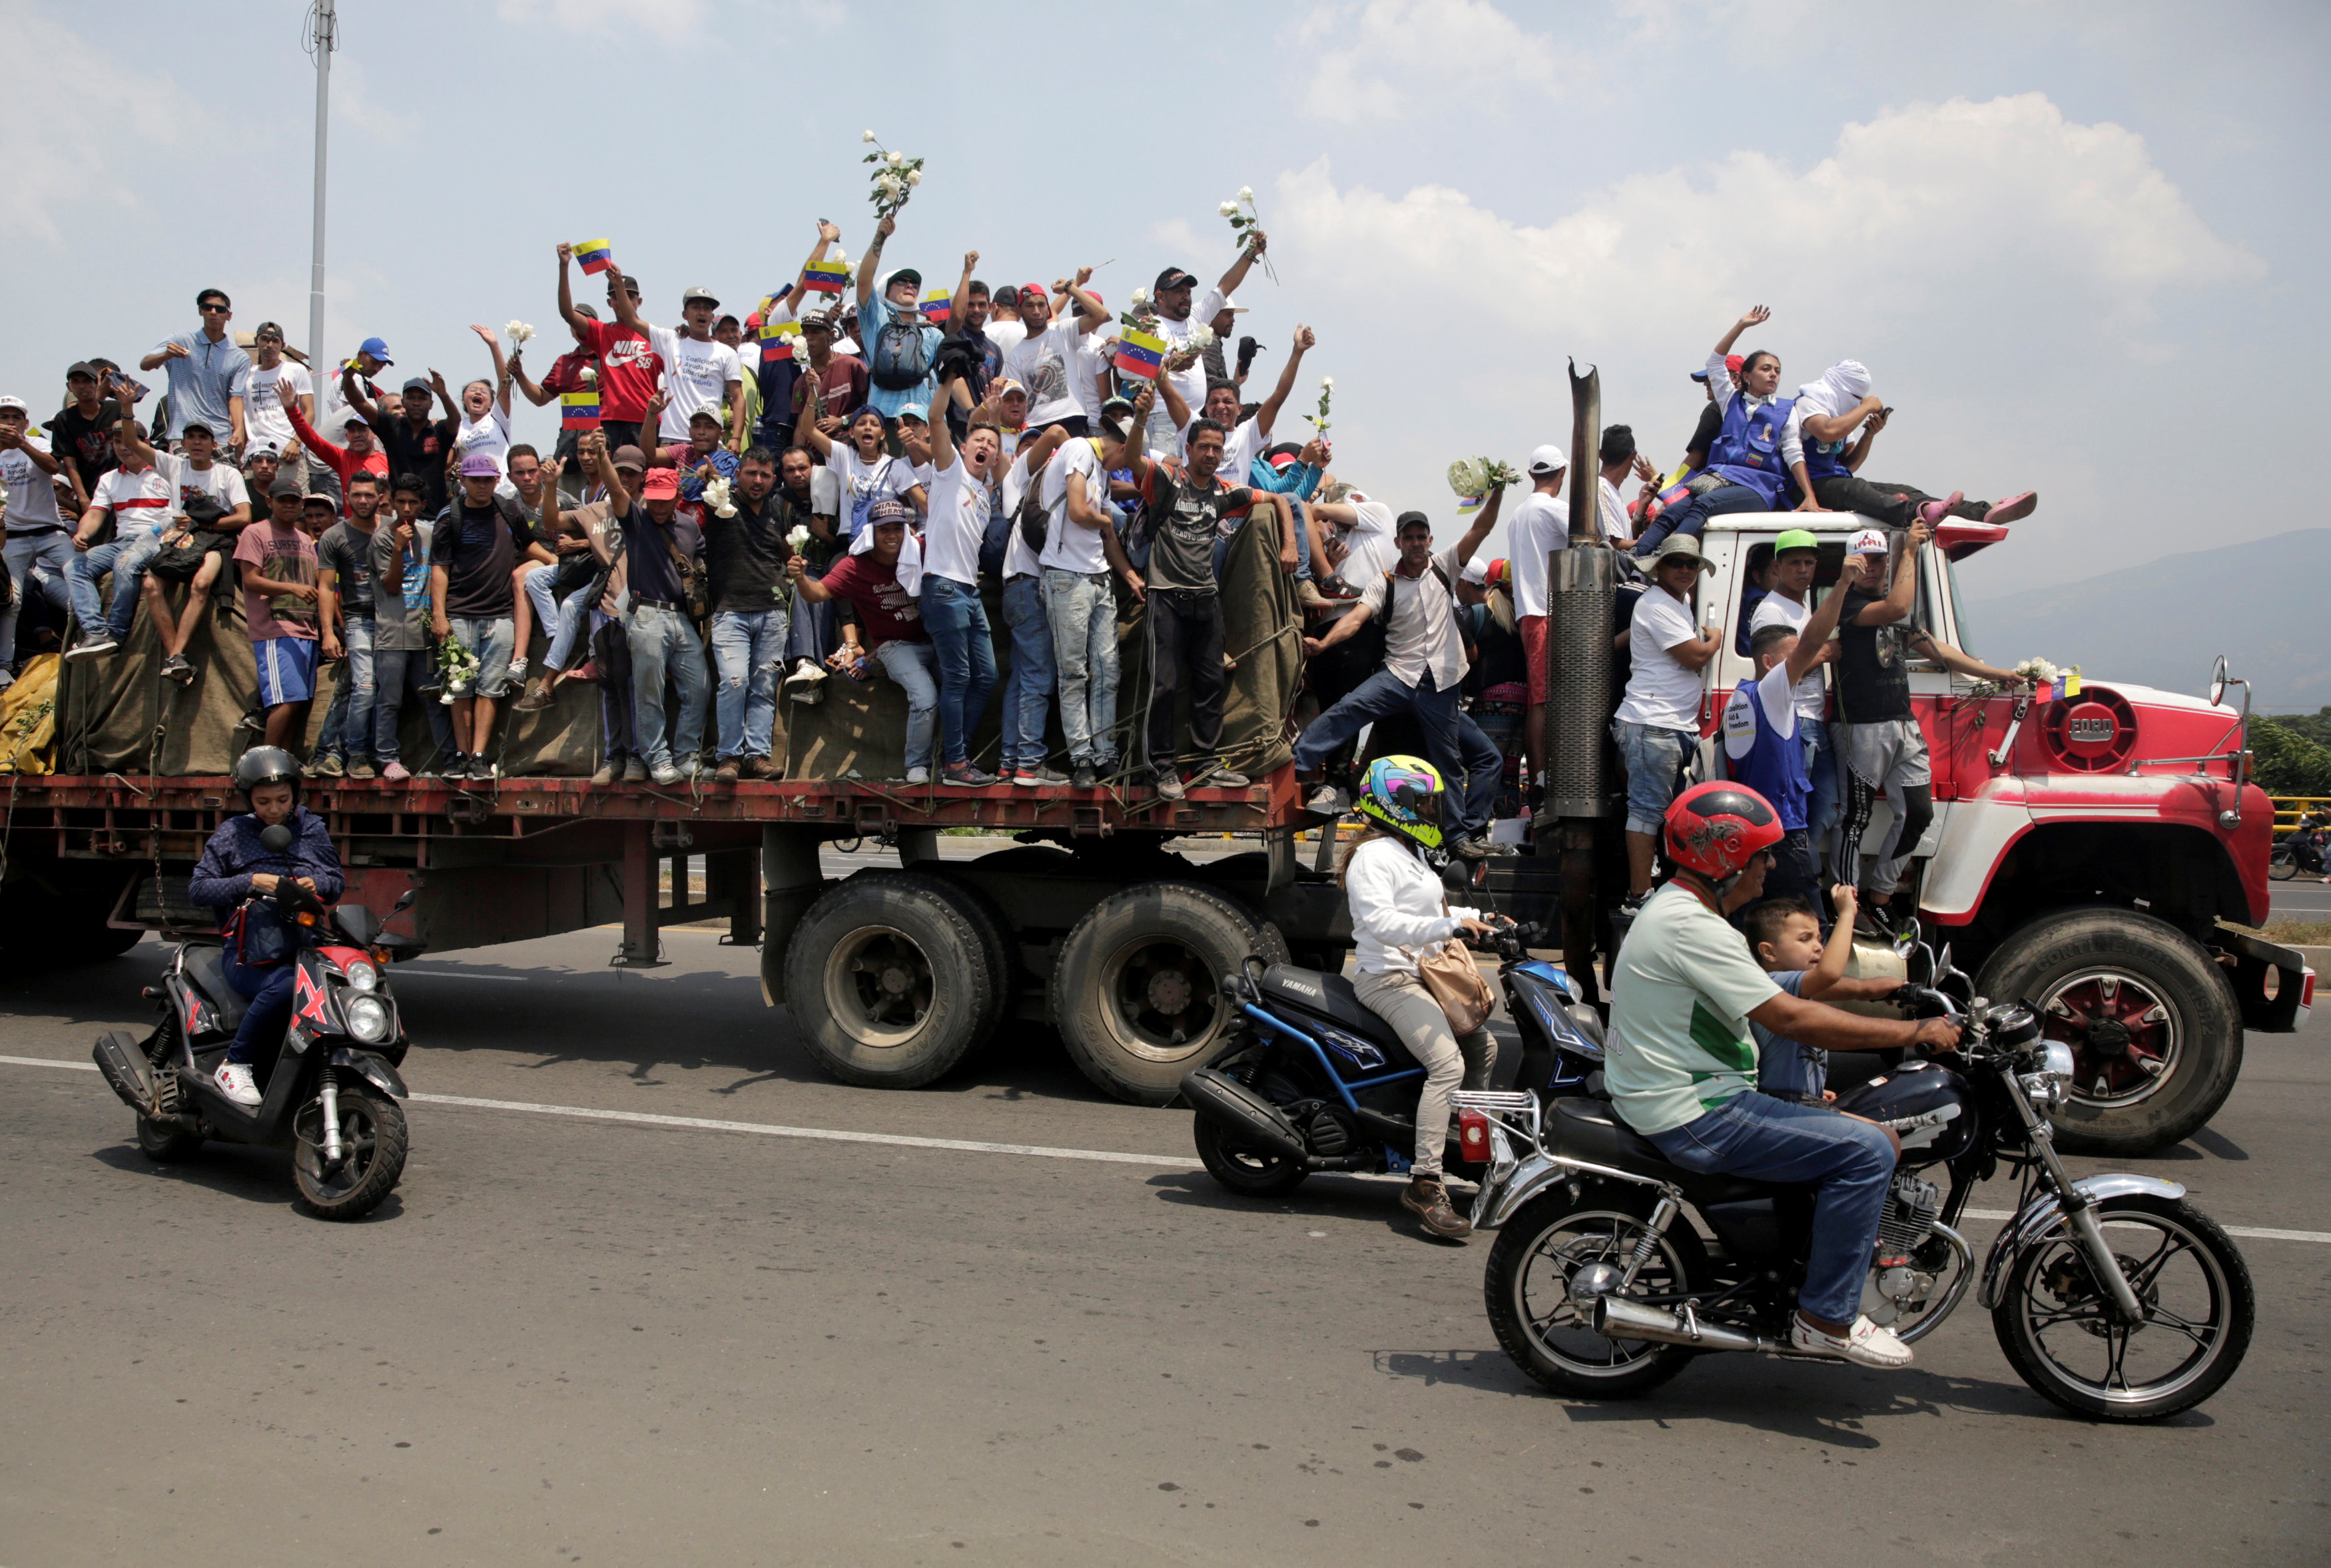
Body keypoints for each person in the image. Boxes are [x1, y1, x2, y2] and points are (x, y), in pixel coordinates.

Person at [1604, 780, 1961, 1366]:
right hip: (1697, 1110)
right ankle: (1826, 1316)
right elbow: (1793, 1016)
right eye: (1761, 853)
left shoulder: (1676, 910)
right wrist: (1913, 1034)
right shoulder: (1695, 927)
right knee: (1869, 1150)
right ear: (1726, 858)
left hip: (1686, 1091)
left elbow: (1798, 994)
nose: (1770, 864)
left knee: (1867, 1127)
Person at [1341, 756, 1502, 1239]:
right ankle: (1426, 1181)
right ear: (1395, 803)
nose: (1432, 811)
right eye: (1424, 802)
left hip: (1424, 974)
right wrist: (1450, 924)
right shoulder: (1373, 857)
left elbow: (1431, 908)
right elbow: (1383, 924)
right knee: (1448, 1066)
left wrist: (1481, 919)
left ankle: (1468, 1147)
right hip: (1389, 978)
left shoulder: (1408, 850)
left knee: (1485, 1047)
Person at [1832, 524, 2021, 933]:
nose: (1872, 567)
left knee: (1919, 813)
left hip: (1902, 723)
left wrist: (1996, 673)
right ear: (1850, 563)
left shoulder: (1891, 609)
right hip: (1862, 727)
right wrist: (1910, 552)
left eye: (1879, 559)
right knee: (1856, 817)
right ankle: (1846, 902)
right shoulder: (1846, 606)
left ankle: (1880, 895)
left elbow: (1938, 649)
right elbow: (1899, 608)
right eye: (1863, 560)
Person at [1297, 501, 1507, 858]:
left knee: (1449, 762)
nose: (1416, 544)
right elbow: (1355, 620)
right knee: (1349, 709)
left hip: (1439, 684)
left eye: (1421, 538)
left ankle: (1459, 840)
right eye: (1408, 538)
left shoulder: (1445, 568)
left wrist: (1498, 490)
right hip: (1398, 674)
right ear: (1397, 542)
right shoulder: (1385, 582)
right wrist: (1324, 643)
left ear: (1430, 540)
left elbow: (1481, 528)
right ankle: (1296, 761)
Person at [1119, 396, 1293, 799]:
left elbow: (1277, 499)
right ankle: (1162, 770)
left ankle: (1206, 763)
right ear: (1189, 450)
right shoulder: (1166, 481)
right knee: (1163, 686)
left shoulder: (1225, 493)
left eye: (1217, 448)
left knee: (1210, 682)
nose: (1212, 454)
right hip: (1166, 598)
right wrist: (1141, 417)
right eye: (1204, 447)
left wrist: (1289, 544)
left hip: (1205, 601)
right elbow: (1133, 459)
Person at [185, 747, 345, 1105]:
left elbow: (336, 880)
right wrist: (251, 880)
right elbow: (198, 889)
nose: (274, 809)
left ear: (296, 795)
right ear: (248, 800)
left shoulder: (311, 828)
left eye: (282, 800)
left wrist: (316, 882)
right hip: (249, 958)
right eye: (263, 801)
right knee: (291, 987)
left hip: (306, 947)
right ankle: (236, 1063)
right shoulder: (233, 833)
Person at [1721, 552, 1865, 908]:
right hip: (1784, 831)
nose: (1801, 663)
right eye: (1792, 658)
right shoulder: (1772, 691)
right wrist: (1844, 583)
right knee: (1810, 923)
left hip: (1761, 829)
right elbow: (1813, 644)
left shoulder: (1742, 696)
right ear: (1769, 664)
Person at [1632, 306, 1822, 557]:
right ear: (1746, 376)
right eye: (1766, 369)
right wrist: (1741, 325)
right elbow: (1714, 362)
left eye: (1777, 371)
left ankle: (1668, 555)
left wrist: (1810, 497)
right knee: (1673, 512)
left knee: (1703, 505)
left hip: (1757, 488)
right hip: (1718, 480)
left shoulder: (1787, 410)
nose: (1773, 375)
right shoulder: (1730, 400)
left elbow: (1794, 453)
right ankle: (1634, 557)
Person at [787, 499, 940, 784]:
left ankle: (872, 663)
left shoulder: (920, 550)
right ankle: (917, 764)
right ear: (871, 532)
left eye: (898, 528)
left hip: (935, 639)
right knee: (925, 698)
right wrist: (800, 578)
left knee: (968, 683)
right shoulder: (856, 565)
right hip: (896, 645)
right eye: (884, 530)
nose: (892, 535)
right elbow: (817, 593)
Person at [1037, 397, 1148, 788]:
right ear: (1122, 446)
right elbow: (1080, 513)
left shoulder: (1098, 467)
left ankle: (1106, 755)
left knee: (1108, 671)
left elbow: (1104, 536)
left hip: (1098, 576)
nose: (1126, 469)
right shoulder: (1080, 450)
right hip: (1067, 575)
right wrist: (1109, 517)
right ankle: (1083, 757)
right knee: (1074, 673)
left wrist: (1129, 574)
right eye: (1129, 459)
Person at [1612, 534, 1722, 908]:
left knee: (1670, 814)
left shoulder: (1678, 601)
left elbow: (1640, 634)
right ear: (1659, 568)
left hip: (1672, 724)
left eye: (1692, 564)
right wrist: (1716, 640)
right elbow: (1695, 657)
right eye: (1677, 563)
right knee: (1646, 813)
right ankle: (1638, 896)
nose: (1686, 570)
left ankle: (1660, 888)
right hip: (1652, 723)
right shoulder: (1657, 603)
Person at [1794, 360, 2037, 527]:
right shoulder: (1810, 403)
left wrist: (1869, 434)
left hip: (1835, 481)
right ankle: (1916, 515)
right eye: (1857, 398)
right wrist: (1866, 408)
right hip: (1806, 487)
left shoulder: (1843, 413)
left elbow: (1850, 464)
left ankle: (1984, 512)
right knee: (1855, 490)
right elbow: (1826, 432)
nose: (1859, 404)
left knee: (1903, 491)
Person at [430, 453, 551, 781]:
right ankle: (461, 755)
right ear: (463, 482)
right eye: (476, 480)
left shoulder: (509, 510)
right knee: (459, 689)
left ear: (498, 480)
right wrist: (438, 616)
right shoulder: (449, 516)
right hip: (457, 616)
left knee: (489, 690)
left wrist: (557, 562)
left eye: (488, 479)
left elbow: (528, 546)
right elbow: (439, 569)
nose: (482, 485)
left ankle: (480, 757)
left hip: (500, 618)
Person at [595, 443, 709, 786]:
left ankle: (687, 755)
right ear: (646, 493)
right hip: (646, 615)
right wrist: (603, 455)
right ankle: (657, 759)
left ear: (678, 496)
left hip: (681, 618)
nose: (659, 505)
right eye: (654, 497)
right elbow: (615, 488)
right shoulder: (636, 519)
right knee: (648, 692)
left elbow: (700, 561)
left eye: (666, 498)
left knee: (700, 686)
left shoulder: (690, 526)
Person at [919, 370, 1006, 786]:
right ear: (964, 445)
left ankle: (957, 757)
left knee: (985, 676)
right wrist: (949, 378)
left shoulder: (986, 495)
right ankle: (954, 764)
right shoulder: (949, 470)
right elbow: (937, 420)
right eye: (979, 441)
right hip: (943, 586)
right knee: (958, 677)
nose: (985, 447)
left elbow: (1005, 470)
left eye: (992, 446)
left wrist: (994, 420)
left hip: (968, 592)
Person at [1743, 891, 1912, 1106]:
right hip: (1783, 1104)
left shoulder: (1797, 989)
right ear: (1769, 953)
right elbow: (1830, 974)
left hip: (1798, 1099)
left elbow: (1857, 987)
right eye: (1805, 939)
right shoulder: (1773, 983)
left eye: (1819, 939)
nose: (1818, 947)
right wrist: (1847, 914)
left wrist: (1883, 989)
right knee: (1882, 1137)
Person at [1747, 529, 1843, 868]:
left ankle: (1795, 867)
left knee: (1828, 803)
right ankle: (1791, 871)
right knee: (1797, 809)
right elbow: (1773, 671)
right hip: (1793, 719)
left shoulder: (1803, 608)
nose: (1803, 569)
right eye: (1795, 563)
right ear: (1778, 566)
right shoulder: (1772, 611)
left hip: (1812, 717)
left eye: (1809, 563)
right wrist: (1826, 651)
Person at [138, 418, 254, 685]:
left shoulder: (227, 473)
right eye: (191, 437)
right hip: (181, 537)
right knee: (151, 584)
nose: (197, 442)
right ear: (184, 443)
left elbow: (244, 517)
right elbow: (134, 444)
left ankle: (176, 654)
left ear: (214, 444)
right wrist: (127, 409)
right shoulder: (175, 466)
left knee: (201, 584)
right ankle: (176, 656)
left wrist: (202, 523)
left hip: (217, 537)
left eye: (203, 437)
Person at [703, 445, 794, 781]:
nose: (758, 480)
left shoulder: (777, 510)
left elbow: (787, 551)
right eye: (751, 472)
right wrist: (709, 479)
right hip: (730, 612)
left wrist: (795, 559)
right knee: (733, 681)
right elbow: (702, 490)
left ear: (774, 478)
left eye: (765, 475)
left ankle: (757, 756)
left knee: (764, 685)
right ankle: (728, 757)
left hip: (771, 612)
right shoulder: (721, 502)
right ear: (738, 474)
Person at [63, 404, 176, 660]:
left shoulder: (168, 471)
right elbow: (95, 514)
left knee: (124, 564)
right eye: (116, 442)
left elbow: (178, 517)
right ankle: (95, 632)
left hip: (158, 538)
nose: (123, 447)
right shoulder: (109, 478)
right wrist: (83, 533)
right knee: (74, 567)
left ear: (145, 442)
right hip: (121, 541)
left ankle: (116, 633)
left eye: (128, 440)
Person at [995, 422, 1073, 786]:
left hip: (1016, 589)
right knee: (1040, 677)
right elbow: (1057, 433)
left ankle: (1010, 761)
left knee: (1022, 679)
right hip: (1030, 589)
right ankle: (1029, 763)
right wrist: (1082, 455)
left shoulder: (1045, 490)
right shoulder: (1020, 481)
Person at [367, 473, 458, 781]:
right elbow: (391, 586)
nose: (406, 508)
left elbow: (436, 579)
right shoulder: (381, 539)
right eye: (401, 502)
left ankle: (451, 759)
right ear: (391, 503)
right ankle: (388, 760)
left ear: (423, 505)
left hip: (423, 636)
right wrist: (396, 549)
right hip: (391, 635)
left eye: (412, 503)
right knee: (389, 701)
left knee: (434, 701)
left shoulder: (428, 536)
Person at [235, 473, 325, 748]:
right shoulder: (256, 532)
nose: (290, 505)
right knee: (284, 702)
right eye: (283, 500)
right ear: (269, 502)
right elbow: (250, 580)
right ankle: (267, 757)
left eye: (294, 501)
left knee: (297, 702)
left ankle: (283, 758)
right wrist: (292, 588)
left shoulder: (305, 539)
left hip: (307, 629)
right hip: (275, 629)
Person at [608, 281, 746, 454]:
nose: (702, 312)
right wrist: (618, 284)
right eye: (696, 307)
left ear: (712, 316)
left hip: (710, 442)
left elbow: (738, 397)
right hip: (671, 440)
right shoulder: (670, 340)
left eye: (707, 308)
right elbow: (632, 321)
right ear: (685, 315)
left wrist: (737, 437)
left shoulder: (726, 353)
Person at [1502, 443, 1567, 799]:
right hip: (1547, 611)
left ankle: (1541, 775)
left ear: (1531, 475)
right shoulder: (1554, 508)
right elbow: (1596, 538)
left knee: (1539, 700)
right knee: (1542, 701)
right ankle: (1541, 777)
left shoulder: (1518, 514)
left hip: (1529, 611)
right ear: (1562, 474)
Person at [311, 473, 386, 778]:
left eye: (369, 495)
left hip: (394, 620)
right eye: (356, 495)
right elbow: (327, 588)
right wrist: (328, 632)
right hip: (358, 619)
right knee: (365, 687)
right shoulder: (335, 536)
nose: (363, 501)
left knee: (353, 689)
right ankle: (355, 754)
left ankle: (327, 752)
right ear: (347, 496)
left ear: (380, 497)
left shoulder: (395, 528)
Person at [0, 393, 76, 687]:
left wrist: (22, 443)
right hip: (12, 539)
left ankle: (85, 643)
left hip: (50, 533)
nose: (9, 423)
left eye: (15, 418)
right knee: (11, 600)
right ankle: (4, 666)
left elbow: (53, 467)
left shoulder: (39, 442)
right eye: (4, 417)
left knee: (79, 579)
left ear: (26, 422)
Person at [854, 216, 947, 433]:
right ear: (885, 291)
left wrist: (972, 410)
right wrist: (880, 238)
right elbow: (863, 281)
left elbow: (949, 377)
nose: (910, 286)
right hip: (884, 421)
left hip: (924, 422)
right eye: (902, 282)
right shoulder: (876, 320)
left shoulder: (932, 332)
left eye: (914, 284)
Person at [559, 248, 655, 452]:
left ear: (640, 302)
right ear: (609, 303)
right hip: (610, 421)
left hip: (647, 421)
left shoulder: (656, 336)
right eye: (616, 296)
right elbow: (568, 313)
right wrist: (564, 266)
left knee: (644, 478)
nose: (622, 300)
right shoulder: (603, 332)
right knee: (610, 479)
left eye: (629, 296)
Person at [140, 288, 250, 451]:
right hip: (182, 435)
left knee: (222, 477)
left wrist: (239, 429)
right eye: (208, 307)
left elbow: (236, 397)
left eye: (220, 309)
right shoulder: (179, 340)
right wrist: (166, 355)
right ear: (201, 311)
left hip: (219, 437)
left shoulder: (239, 357)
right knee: (182, 478)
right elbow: (145, 364)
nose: (213, 312)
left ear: (229, 315)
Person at [1003, 269, 1107, 438]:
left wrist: (1070, 287)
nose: (1036, 311)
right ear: (1019, 311)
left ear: (1048, 310)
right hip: (1036, 427)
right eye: (1029, 305)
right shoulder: (1015, 356)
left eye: (1041, 305)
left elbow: (1101, 315)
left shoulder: (1063, 331)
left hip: (1074, 419)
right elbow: (1017, 402)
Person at [345, 372, 457, 515]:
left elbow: (455, 420)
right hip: (398, 515)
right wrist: (348, 378)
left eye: (422, 398)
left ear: (431, 404)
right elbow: (359, 403)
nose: (416, 403)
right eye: (411, 398)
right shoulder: (392, 427)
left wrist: (444, 395)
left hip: (433, 516)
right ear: (403, 403)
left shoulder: (439, 431)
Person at [240, 323, 316, 495]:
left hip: (288, 453)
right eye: (265, 340)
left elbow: (310, 412)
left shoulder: (296, 370)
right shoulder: (246, 374)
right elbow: (243, 414)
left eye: (275, 341)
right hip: (256, 455)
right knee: (257, 512)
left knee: (295, 509)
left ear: (282, 345)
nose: (269, 345)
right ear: (256, 342)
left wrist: (297, 442)